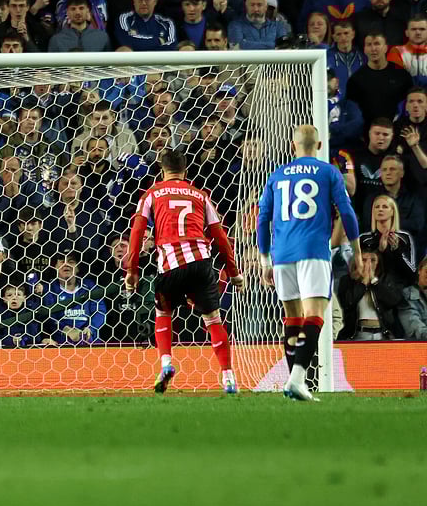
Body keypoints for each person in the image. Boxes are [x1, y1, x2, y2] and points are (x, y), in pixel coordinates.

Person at [256, 125, 364, 402]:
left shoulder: (276, 175)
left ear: (293, 146)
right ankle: (296, 379)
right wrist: (356, 252)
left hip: (282, 255)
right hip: (313, 251)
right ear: (318, 147)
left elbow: (262, 218)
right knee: (314, 314)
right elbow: (347, 212)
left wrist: (264, 258)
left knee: (292, 317)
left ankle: (296, 385)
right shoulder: (328, 172)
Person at [124, 149, 242, 395]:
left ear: (162, 170)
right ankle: (228, 377)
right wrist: (233, 271)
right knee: (213, 319)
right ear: (185, 171)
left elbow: (136, 233)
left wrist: (132, 270)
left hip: (171, 265)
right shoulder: (200, 195)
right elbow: (220, 236)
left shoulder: (152, 194)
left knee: (163, 312)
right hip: (201, 262)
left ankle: (166, 363)